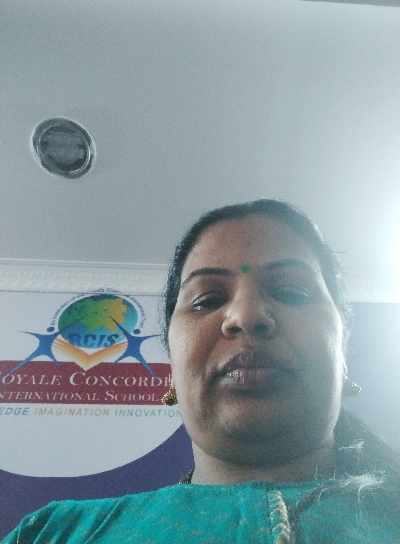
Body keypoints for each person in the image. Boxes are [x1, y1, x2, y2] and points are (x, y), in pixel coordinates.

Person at [4, 199, 400, 543]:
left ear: (343, 354)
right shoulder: (53, 533)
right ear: (171, 373)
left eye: (291, 292)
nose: (245, 316)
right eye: (206, 299)